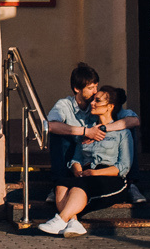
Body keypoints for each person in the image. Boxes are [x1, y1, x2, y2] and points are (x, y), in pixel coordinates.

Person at [42, 62, 140, 222]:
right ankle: (58, 185)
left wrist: (103, 129)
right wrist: (86, 132)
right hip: (75, 152)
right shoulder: (64, 105)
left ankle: (132, 183)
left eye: (96, 86)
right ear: (77, 89)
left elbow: (133, 120)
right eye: (90, 88)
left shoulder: (99, 104)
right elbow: (50, 125)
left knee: (128, 131)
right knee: (58, 135)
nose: (95, 92)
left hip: (95, 159)